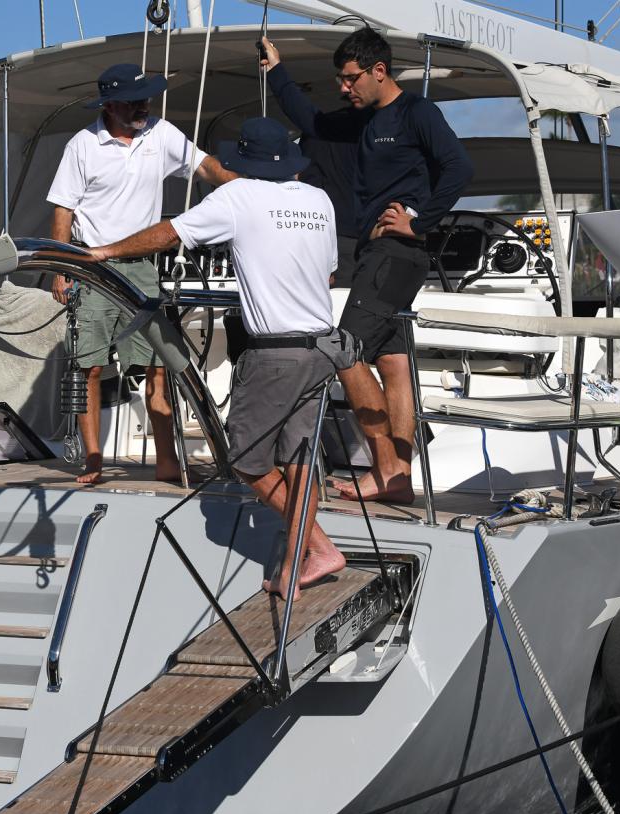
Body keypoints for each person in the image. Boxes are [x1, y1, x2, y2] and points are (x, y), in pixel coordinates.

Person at [84, 117, 355, 599]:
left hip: (276, 354)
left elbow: (170, 234)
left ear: (246, 163)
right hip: (323, 346)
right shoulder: (319, 199)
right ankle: (299, 560)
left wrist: (105, 251)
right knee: (299, 458)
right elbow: (329, 275)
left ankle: (318, 546)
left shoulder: (239, 197)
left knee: (246, 462)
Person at [262, 28, 473, 502]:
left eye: (350, 78)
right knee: (393, 361)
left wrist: (418, 224)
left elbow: (459, 166)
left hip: (397, 254)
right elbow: (312, 122)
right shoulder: (364, 120)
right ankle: (399, 479)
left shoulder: (417, 113)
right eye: (341, 79)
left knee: (344, 350)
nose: (344, 87)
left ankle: (387, 470)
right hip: (378, 255)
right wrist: (276, 71)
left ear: (379, 71)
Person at [47, 63, 235, 484]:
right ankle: (93, 458)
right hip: (92, 268)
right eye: (135, 100)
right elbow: (63, 209)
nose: (144, 106)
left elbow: (207, 168)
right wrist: (62, 270)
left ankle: (167, 459)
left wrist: (248, 183)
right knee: (89, 367)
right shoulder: (82, 145)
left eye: (147, 98)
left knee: (158, 365)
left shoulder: (161, 133)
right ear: (110, 105)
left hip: (143, 269)